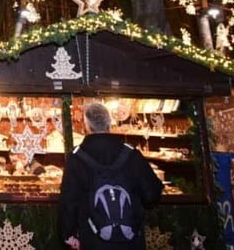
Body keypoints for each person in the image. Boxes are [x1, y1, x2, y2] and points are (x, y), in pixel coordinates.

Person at [58, 102, 162, 250]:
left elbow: (69, 200)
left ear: (87, 125)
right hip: (130, 239)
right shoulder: (131, 154)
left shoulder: (77, 157)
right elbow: (152, 194)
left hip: (93, 239)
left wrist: (68, 234)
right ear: (109, 123)